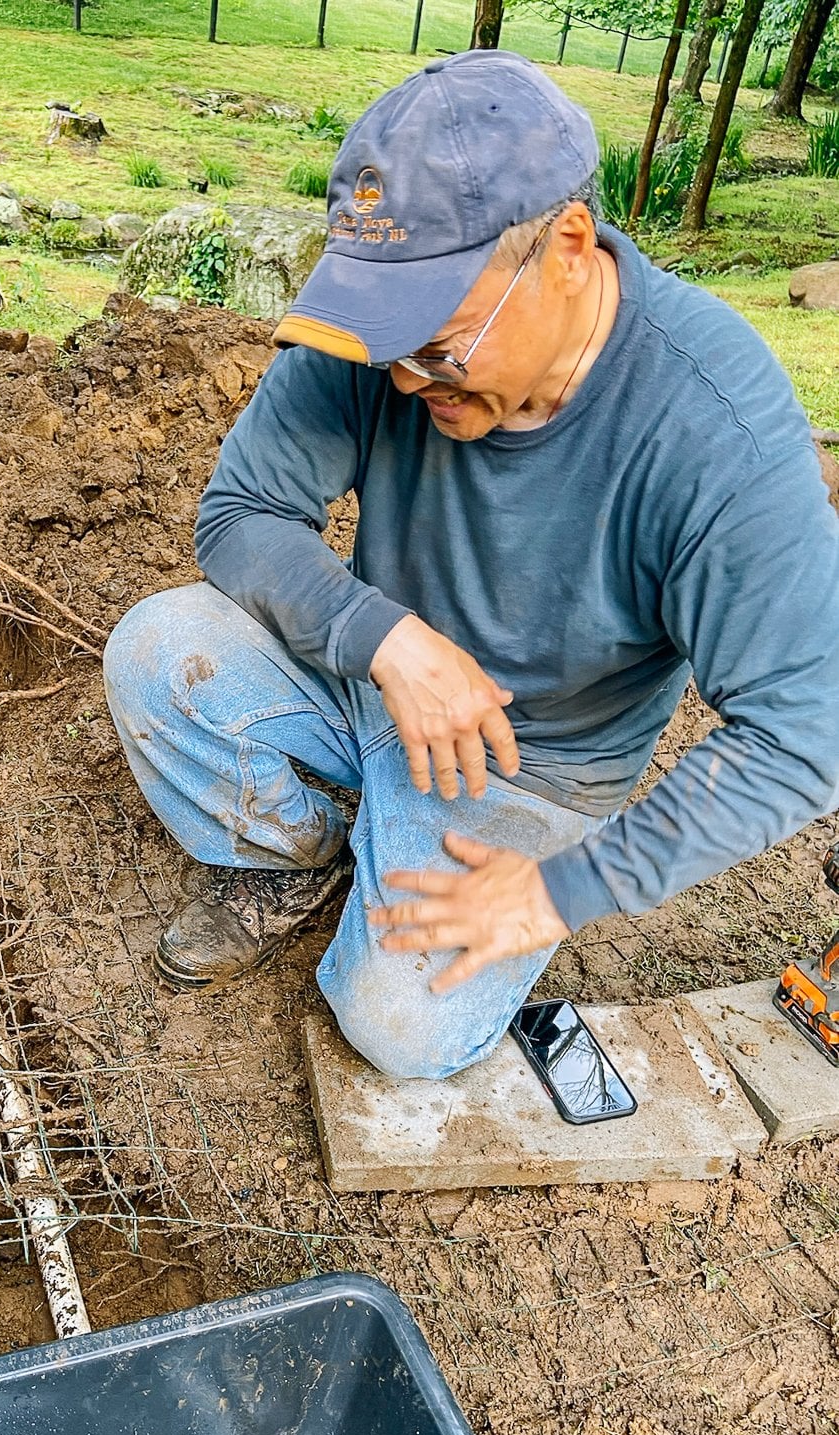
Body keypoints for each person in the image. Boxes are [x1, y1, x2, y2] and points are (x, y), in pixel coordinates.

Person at [103, 50, 839, 1081]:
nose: (402, 377)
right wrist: (385, 638)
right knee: (157, 649)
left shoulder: (715, 430)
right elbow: (239, 514)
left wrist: (556, 891)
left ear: (568, 248)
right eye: (385, 342)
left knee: (399, 1028)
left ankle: (409, 848)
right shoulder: (382, 334)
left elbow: (803, 731)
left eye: (438, 345)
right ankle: (302, 849)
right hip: (369, 684)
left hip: (527, 763)